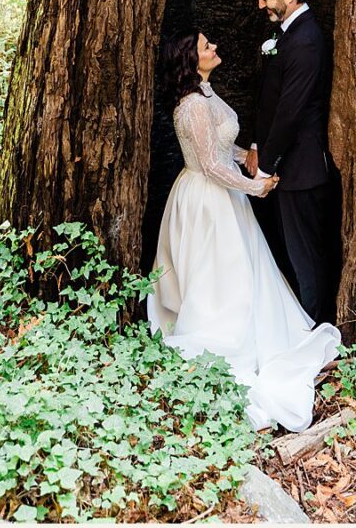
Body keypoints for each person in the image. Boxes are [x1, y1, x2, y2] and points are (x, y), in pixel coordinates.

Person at [146, 29, 340, 433]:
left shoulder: (206, 95)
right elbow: (210, 166)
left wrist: (249, 155)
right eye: (204, 46)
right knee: (218, 274)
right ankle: (220, 337)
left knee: (243, 269)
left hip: (225, 197)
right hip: (206, 200)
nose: (214, 47)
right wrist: (257, 186)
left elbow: (221, 151)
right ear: (190, 59)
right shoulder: (192, 107)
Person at [241, 0, 340, 324]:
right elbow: (269, 98)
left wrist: (266, 165)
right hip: (284, 166)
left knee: (306, 257)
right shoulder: (286, 34)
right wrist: (254, 144)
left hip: (300, 170)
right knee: (288, 251)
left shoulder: (307, 40)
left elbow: (290, 111)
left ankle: (316, 327)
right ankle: (297, 321)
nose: (261, 5)